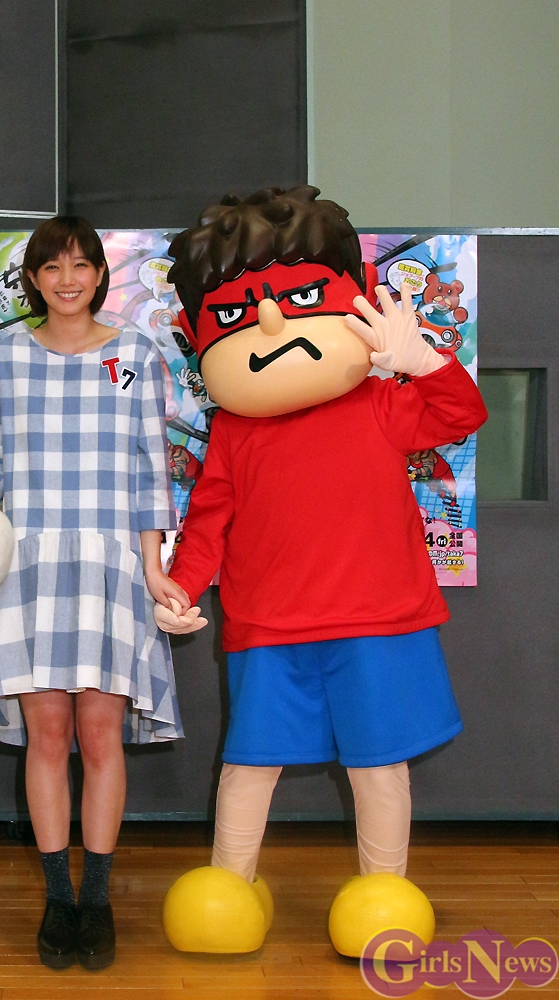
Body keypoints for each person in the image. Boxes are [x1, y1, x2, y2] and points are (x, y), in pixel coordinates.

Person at [156, 186, 487, 956]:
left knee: (379, 766)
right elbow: (208, 523)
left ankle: (384, 890)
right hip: (268, 625)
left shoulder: (377, 402)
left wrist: (424, 363)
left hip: (378, 620)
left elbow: (459, 415)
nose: (272, 322)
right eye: (238, 313)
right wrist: (181, 584)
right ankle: (230, 885)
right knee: (250, 763)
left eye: (301, 298)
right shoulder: (235, 431)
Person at [0, 216, 190, 970]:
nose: (67, 279)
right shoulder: (11, 355)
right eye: (52, 267)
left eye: (80, 265)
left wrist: (153, 567)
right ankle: (58, 898)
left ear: (100, 274)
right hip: (33, 567)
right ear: (35, 279)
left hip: (112, 568)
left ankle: (97, 899)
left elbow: (151, 471)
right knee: (47, 737)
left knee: (100, 736)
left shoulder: (134, 354)